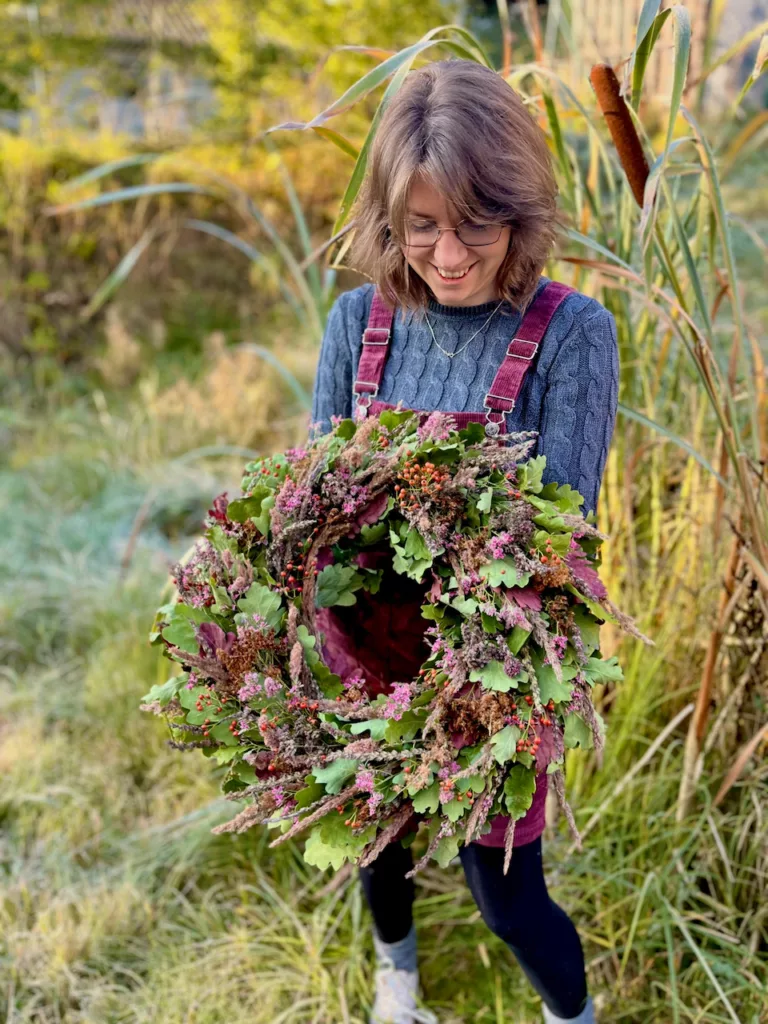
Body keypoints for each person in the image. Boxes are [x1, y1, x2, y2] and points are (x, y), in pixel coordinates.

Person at [309, 59, 619, 1024]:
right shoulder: (356, 322)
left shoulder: (573, 334)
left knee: (505, 892)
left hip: (498, 662)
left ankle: (574, 1016)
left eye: (476, 224)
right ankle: (397, 981)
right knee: (377, 841)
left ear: (518, 212)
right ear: (390, 221)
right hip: (365, 649)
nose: (449, 254)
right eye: (423, 226)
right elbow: (315, 498)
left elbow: (562, 522)